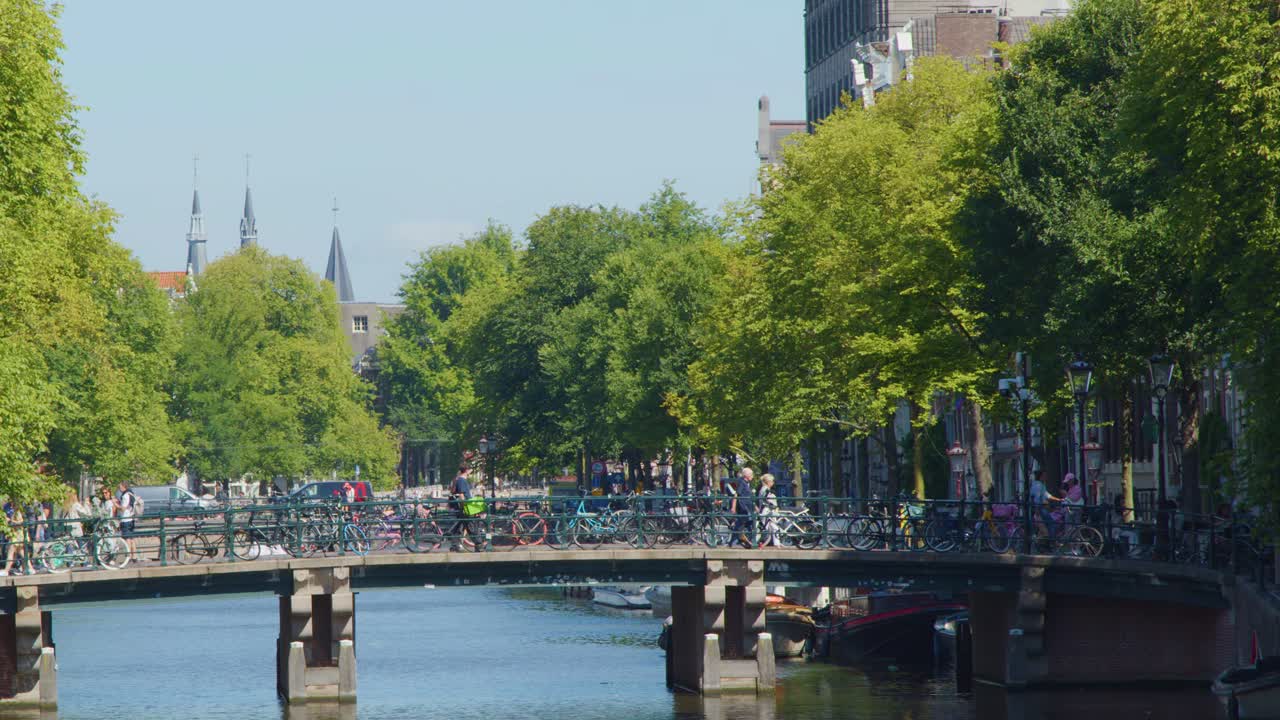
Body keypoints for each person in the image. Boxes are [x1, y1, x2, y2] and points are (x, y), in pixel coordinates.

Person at [1029, 470, 1063, 540]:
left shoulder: (1041, 485)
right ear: (1041, 477)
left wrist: (1058, 499)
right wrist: (1037, 509)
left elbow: (1047, 495)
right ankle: (1051, 541)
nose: (1046, 477)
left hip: (1041, 508)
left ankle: (1044, 542)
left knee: (1044, 526)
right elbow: (1037, 498)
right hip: (1041, 508)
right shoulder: (1038, 486)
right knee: (1051, 523)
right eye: (1044, 476)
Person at [449, 466, 476, 551]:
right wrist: (465, 505)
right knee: (469, 525)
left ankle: (455, 545)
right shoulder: (461, 480)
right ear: (467, 470)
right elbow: (461, 494)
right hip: (464, 506)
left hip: (463, 506)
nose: (471, 471)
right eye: (470, 470)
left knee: (460, 526)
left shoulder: (460, 479)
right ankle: (478, 544)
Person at [727, 467, 755, 548]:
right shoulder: (742, 482)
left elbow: (748, 496)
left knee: (744, 524)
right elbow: (736, 494)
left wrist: (755, 507)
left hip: (747, 507)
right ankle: (738, 540)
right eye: (751, 475)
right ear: (747, 475)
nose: (752, 477)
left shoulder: (746, 483)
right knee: (742, 524)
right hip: (743, 507)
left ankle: (738, 540)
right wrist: (733, 507)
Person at [114, 481, 139, 558]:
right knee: (132, 538)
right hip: (131, 518)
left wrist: (115, 504)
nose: (119, 488)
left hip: (126, 519)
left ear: (124, 486)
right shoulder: (131, 493)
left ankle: (128, 557)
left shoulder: (125, 495)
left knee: (127, 538)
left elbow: (123, 509)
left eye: (120, 487)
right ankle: (134, 557)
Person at [756, 473, 781, 547]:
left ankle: (777, 543)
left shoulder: (763, 489)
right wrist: (773, 505)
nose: (773, 483)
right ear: (768, 482)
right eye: (772, 481)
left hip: (767, 510)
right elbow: (767, 500)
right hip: (767, 510)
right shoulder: (766, 490)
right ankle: (757, 542)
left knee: (772, 527)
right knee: (767, 527)